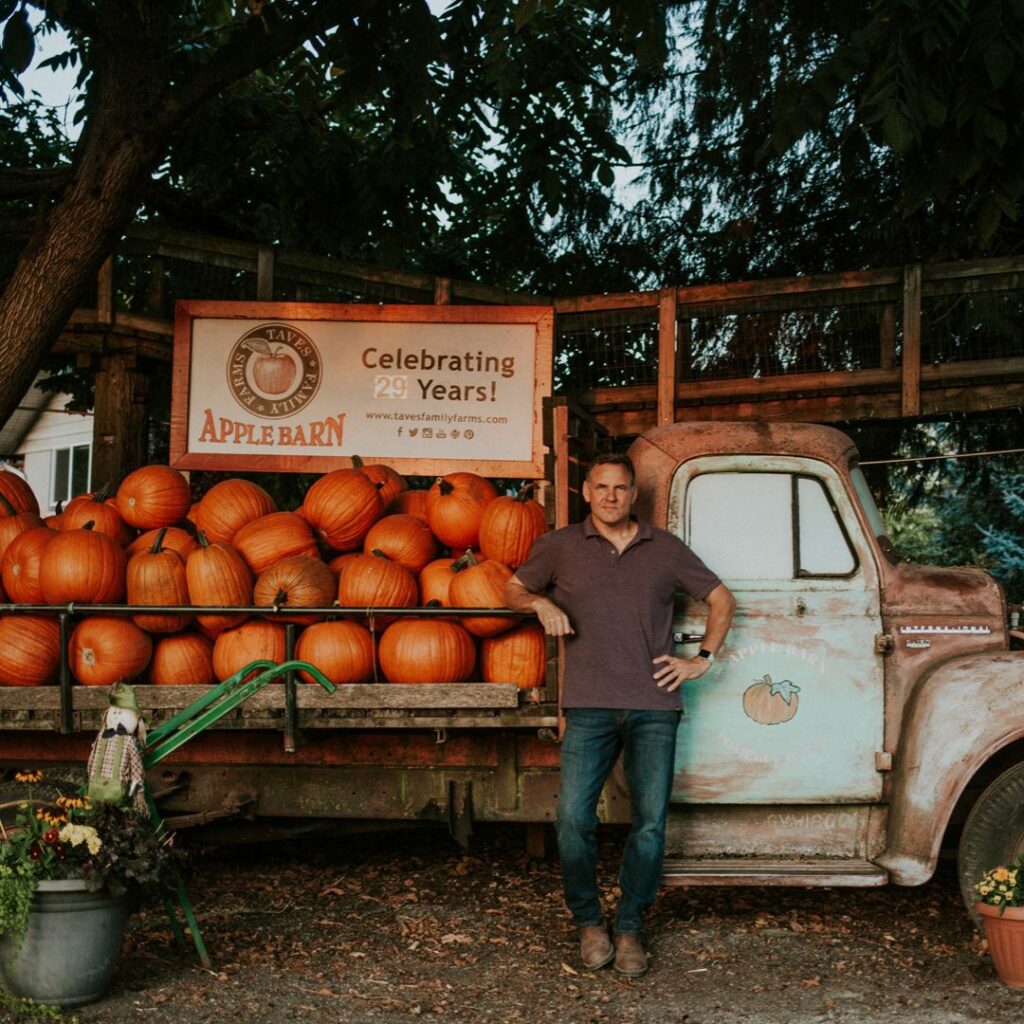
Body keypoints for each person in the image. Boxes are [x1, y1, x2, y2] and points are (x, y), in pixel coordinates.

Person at [505, 452, 734, 977]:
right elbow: (512, 588)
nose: (611, 496)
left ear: (634, 494)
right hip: (587, 706)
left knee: (649, 826)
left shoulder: (665, 548)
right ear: (587, 492)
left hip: (654, 706)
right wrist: (539, 604)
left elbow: (723, 600)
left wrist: (701, 659)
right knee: (572, 821)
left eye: (621, 488)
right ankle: (589, 922)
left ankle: (629, 927)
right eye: (602, 487)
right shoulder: (560, 547)